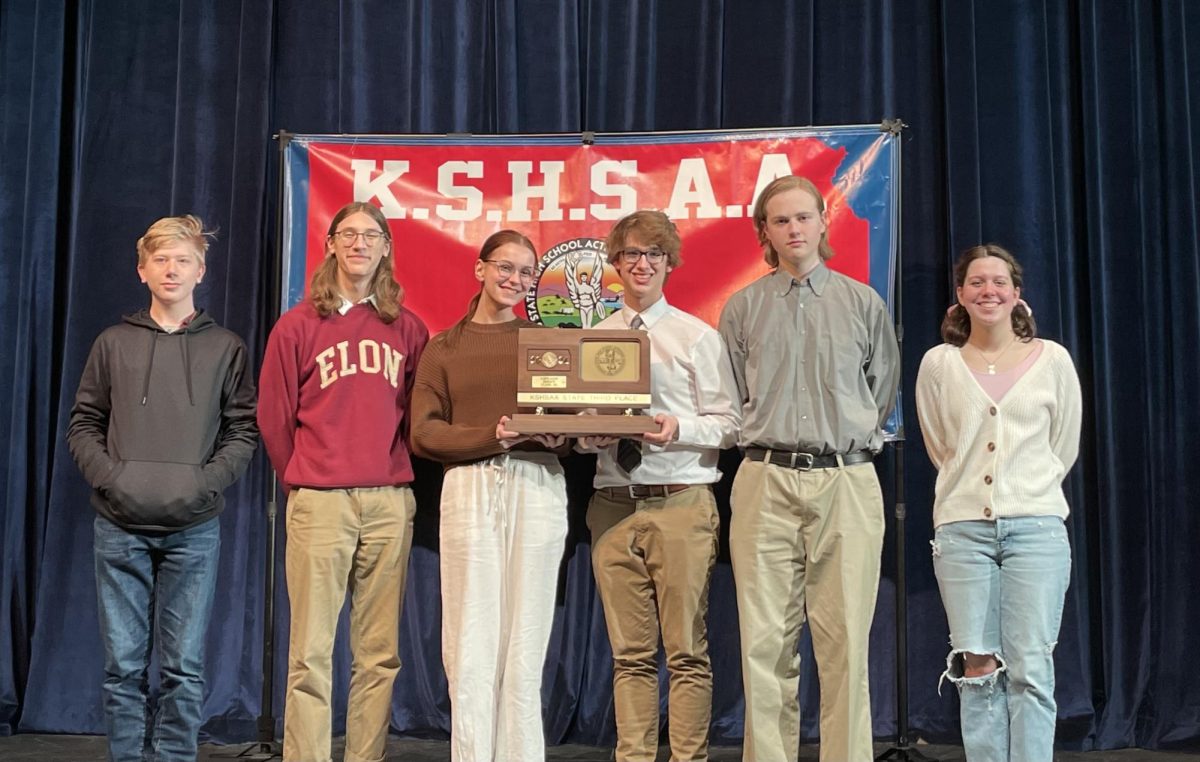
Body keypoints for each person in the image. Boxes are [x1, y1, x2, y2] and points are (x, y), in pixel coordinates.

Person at [718, 175, 900, 762]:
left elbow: (881, 390)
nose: (793, 229)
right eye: (780, 221)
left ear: (824, 221)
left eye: (803, 217)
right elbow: (733, 395)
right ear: (764, 233)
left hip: (845, 478)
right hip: (764, 477)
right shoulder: (742, 308)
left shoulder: (863, 303)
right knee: (764, 643)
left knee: (845, 639)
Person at [67, 215, 258, 761]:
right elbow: (84, 423)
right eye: (161, 260)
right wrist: (112, 478)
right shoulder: (113, 343)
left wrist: (205, 484)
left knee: (183, 668)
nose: (171, 269)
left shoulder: (225, 346)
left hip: (193, 529)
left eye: (182, 260)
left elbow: (242, 429)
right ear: (142, 270)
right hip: (119, 526)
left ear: (201, 270)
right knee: (122, 667)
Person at [258, 201, 428, 762]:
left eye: (371, 235)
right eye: (348, 234)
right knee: (310, 652)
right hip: (320, 502)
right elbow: (274, 417)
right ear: (330, 244)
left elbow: (416, 418)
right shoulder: (298, 325)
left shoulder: (407, 328)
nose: (359, 244)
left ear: (385, 248)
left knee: (378, 653)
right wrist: (303, 479)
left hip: (388, 501)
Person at [579, 210, 741, 762]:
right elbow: (583, 432)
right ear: (615, 265)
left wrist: (679, 428)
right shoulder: (595, 338)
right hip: (611, 504)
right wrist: (586, 435)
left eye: (653, 254)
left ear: (669, 264)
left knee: (687, 651)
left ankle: (688, 757)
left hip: (681, 502)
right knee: (629, 654)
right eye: (630, 255)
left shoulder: (697, 336)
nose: (641, 264)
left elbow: (730, 423)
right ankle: (634, 756)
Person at [915, 244, 1082, 762]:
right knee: (978, 666)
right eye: (977, 282)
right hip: (963, 530)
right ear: (960, 295)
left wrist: (1023, 491)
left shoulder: (1052, 359)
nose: (989, 291)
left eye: (999, 282)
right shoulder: (940, 364)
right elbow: (942, 447)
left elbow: (1064, 445)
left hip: (1035, 527)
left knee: (1031, 666)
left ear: (1017, 294)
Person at [410, 230, 569, 762]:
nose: (515, 280)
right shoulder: (444, 347)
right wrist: (490, 436)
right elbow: (424, 433)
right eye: (505, 267)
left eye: (527, 273)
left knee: (526, 642)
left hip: (539, 483)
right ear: (479, 269)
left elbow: (568, 421)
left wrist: (562, 438)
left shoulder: (545, 342)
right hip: (469, 486)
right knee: (471, 639)